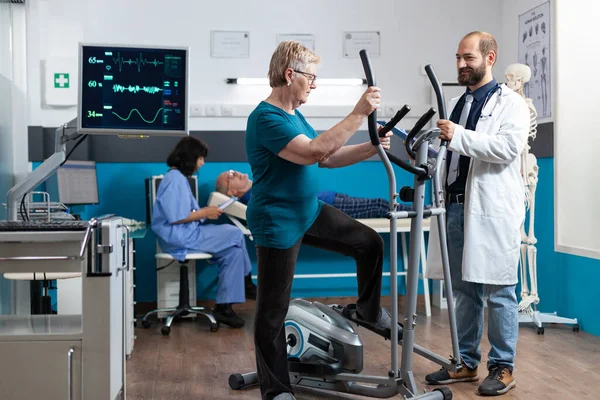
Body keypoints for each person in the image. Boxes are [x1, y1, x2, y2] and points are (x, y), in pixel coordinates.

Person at [245, 40, 398, 400]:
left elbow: (325, 158)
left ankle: (368, 310)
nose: (314, 84)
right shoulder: (266, 118)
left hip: (308, 211)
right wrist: (359, 113)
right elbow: (314, 151)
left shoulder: (295, 116)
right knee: (272, 311)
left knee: (369, 243)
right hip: (278, 220)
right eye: (311, 77)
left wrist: (370, 146)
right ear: (289, 74)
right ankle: (276, 390)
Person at [425, 31, 530, 396]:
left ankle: (502, 367)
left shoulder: (511, 104)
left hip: (490, 211)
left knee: (500, 290)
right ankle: (467, 363)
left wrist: (457, 136)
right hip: (455, 209)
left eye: (468, 58)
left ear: (489, 58)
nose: (460, 65)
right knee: (464, 292)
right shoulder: (457, 103)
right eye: (458, 57)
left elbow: (506, 147)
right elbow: (447, 152)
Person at [151, 136, 257, 329]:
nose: (202, 163)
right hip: (179, 237)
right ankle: (248, 282)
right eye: (200, 158)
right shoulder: (174, 179)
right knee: (234, 233)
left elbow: (183, 212)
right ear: (191, 157)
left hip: (186, 233)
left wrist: (206, 213)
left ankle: (224, 307)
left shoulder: (178, 179)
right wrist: (205, 212)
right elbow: (176, 216)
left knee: (232, 253)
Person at [215, 169, 413, 219]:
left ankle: (419, 210)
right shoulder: (255, 197)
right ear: (232, 191)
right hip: (327, 206)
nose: (235, 172)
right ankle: (422, 212)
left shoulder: (258, 187)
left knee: (379, 203)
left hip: (331, 197)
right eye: (230, 176)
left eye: (232, 170)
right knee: (380, 205)